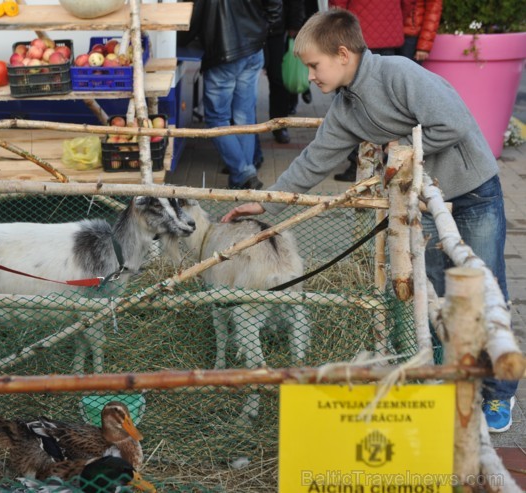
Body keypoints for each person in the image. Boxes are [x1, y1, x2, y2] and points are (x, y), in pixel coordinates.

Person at [221, 9, 519, 433]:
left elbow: (451, 122)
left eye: (314, 65)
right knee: (436, 293)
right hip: (425, 199)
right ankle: (448, 379)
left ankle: (499, 393)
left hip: (472, 190)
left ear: (343, 54)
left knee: (487, 286)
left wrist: (398, 153)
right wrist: (267, 205)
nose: (310, 77)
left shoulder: (398, 73)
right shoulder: (345, 107)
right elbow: (315, 159)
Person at [177, 0, 282, 190]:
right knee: (245, 117)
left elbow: (193, 17)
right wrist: (262, 30)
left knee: (218, 119)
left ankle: (243, 173)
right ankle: (243, 176)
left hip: (223, 53)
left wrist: (177, 42)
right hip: (252, 47)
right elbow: (274, 6)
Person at [329, 0, 415, 181]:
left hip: (358, 35)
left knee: (354, 103)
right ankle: (389, 160)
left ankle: (358, 164)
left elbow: (338, 5)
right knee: (388, 102)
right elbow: (408, 3)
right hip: (389, 32)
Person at [263, 0, 307, 144]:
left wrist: (294, 24)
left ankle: (280, 125)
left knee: (278, 78)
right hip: (249, 27)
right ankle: (242, 130)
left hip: (276, 29)